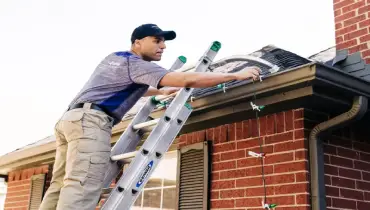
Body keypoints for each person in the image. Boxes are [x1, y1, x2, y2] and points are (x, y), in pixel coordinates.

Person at [39, 23, 261, 210]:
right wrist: (234, 74)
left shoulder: (116, 58)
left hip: (71, 119)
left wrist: (160, 90)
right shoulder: (137, 64)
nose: (163, 46)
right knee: (83, 184)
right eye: (156, 40)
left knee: (59, 184)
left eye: (163, 42)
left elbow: (124, 85)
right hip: (91, 122)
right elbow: (188, 80)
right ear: (137, 42)